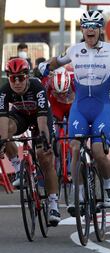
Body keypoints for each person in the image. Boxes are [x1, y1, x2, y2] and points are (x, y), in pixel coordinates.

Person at [38, 10, 110, 215]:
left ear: (100, 29)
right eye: (86, 26)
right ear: (82, 29)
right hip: (80, 107)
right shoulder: (74, 50)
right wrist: (42, 67)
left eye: (94, 26)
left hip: (101, 108)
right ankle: (77, 196)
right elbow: (55, 63)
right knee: (75, 146)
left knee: (97, 151)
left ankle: (107, 188)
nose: (90, 29)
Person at [0, 58, 60, 226]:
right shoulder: (4, 92)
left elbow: (42, 119)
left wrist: (43, 137)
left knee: (45, 156)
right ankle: (18, 168)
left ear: (27, 76)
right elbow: (2, 120)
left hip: (40, 117)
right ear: (8, 78)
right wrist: (3, 142)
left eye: (21, 77)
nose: (17, 82)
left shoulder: (37, 87)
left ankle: (53, 204)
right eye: (13, 78)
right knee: (4, 132)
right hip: (21, 116)